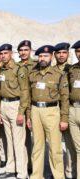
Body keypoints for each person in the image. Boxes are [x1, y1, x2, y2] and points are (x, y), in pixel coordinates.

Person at [29, 45, 69, 179]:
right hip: (35, 111)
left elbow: (64, 98)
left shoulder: (59, 74)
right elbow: (28, 95)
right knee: (37, 147)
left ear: (51, 57)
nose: (42, 58)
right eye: (40, 56)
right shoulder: (33, 74)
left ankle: (58, 176)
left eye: (45, 56)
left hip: (52, 111)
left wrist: (64, 119)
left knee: (55, 147)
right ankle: (36, 176)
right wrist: (29, 116)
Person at [0, 44, 29, 179]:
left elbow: (25, 91)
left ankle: (22, 173)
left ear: (11, 53)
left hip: (16, 105)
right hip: (4, 105)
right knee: (9, 140)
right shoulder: (2, 70)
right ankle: (11, 168)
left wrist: (21, 112)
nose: (3, 56)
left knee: (18, 141)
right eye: (2, 53)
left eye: (6, 53)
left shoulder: (19, 69)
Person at [54, 42, 77, 179]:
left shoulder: (72, 69)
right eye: (58, 53)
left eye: (64, 52)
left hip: (71, 109)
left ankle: (71, 172)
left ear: (68, 54)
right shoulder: (52, 70)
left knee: (72, 145)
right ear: (55, 54)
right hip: (55, 110)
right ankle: (58, 173)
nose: (61, 55)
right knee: (57, 145)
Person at [17, 40, 37, 174]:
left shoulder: (36, 65)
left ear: (30, 50)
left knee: (36, 139)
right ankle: (26, 166)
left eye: (26, 49)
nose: (23, 52)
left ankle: (35, 167)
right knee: (23, 139)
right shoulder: (16, 66)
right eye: (21, 50)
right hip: (20, 104)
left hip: (34, 104)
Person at [69, 40, 80, 179]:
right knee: (78, 148)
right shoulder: (72, 70)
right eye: (78, 51)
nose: (79, 54)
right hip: (73, 109)